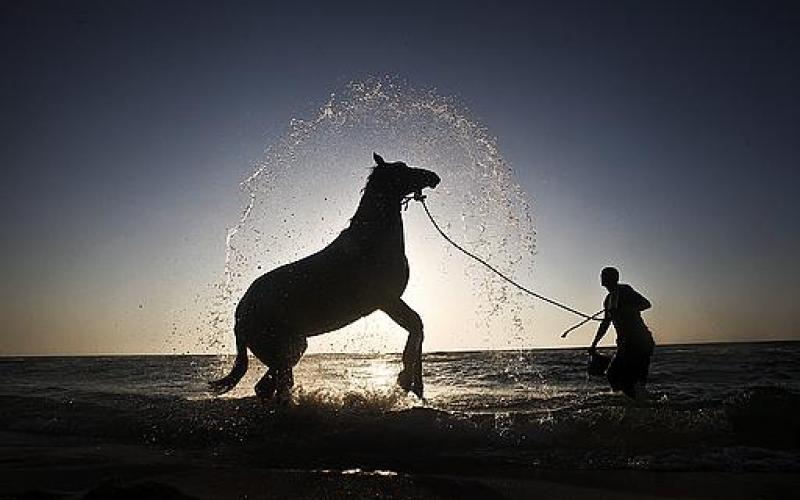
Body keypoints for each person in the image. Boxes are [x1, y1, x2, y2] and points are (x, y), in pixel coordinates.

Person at [589, 267, 655, 400]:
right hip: (625, 344)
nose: (602, 277)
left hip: (640, 342)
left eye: (605, 275)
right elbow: (605, 324)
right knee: (614, 376)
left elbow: (646, 304)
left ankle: (642, 404)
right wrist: (594, 344)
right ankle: (631, 403)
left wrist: (626, 309)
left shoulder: (625, 291)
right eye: (602, 275)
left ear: (614, 278)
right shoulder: (608, 300)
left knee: (626, 379)